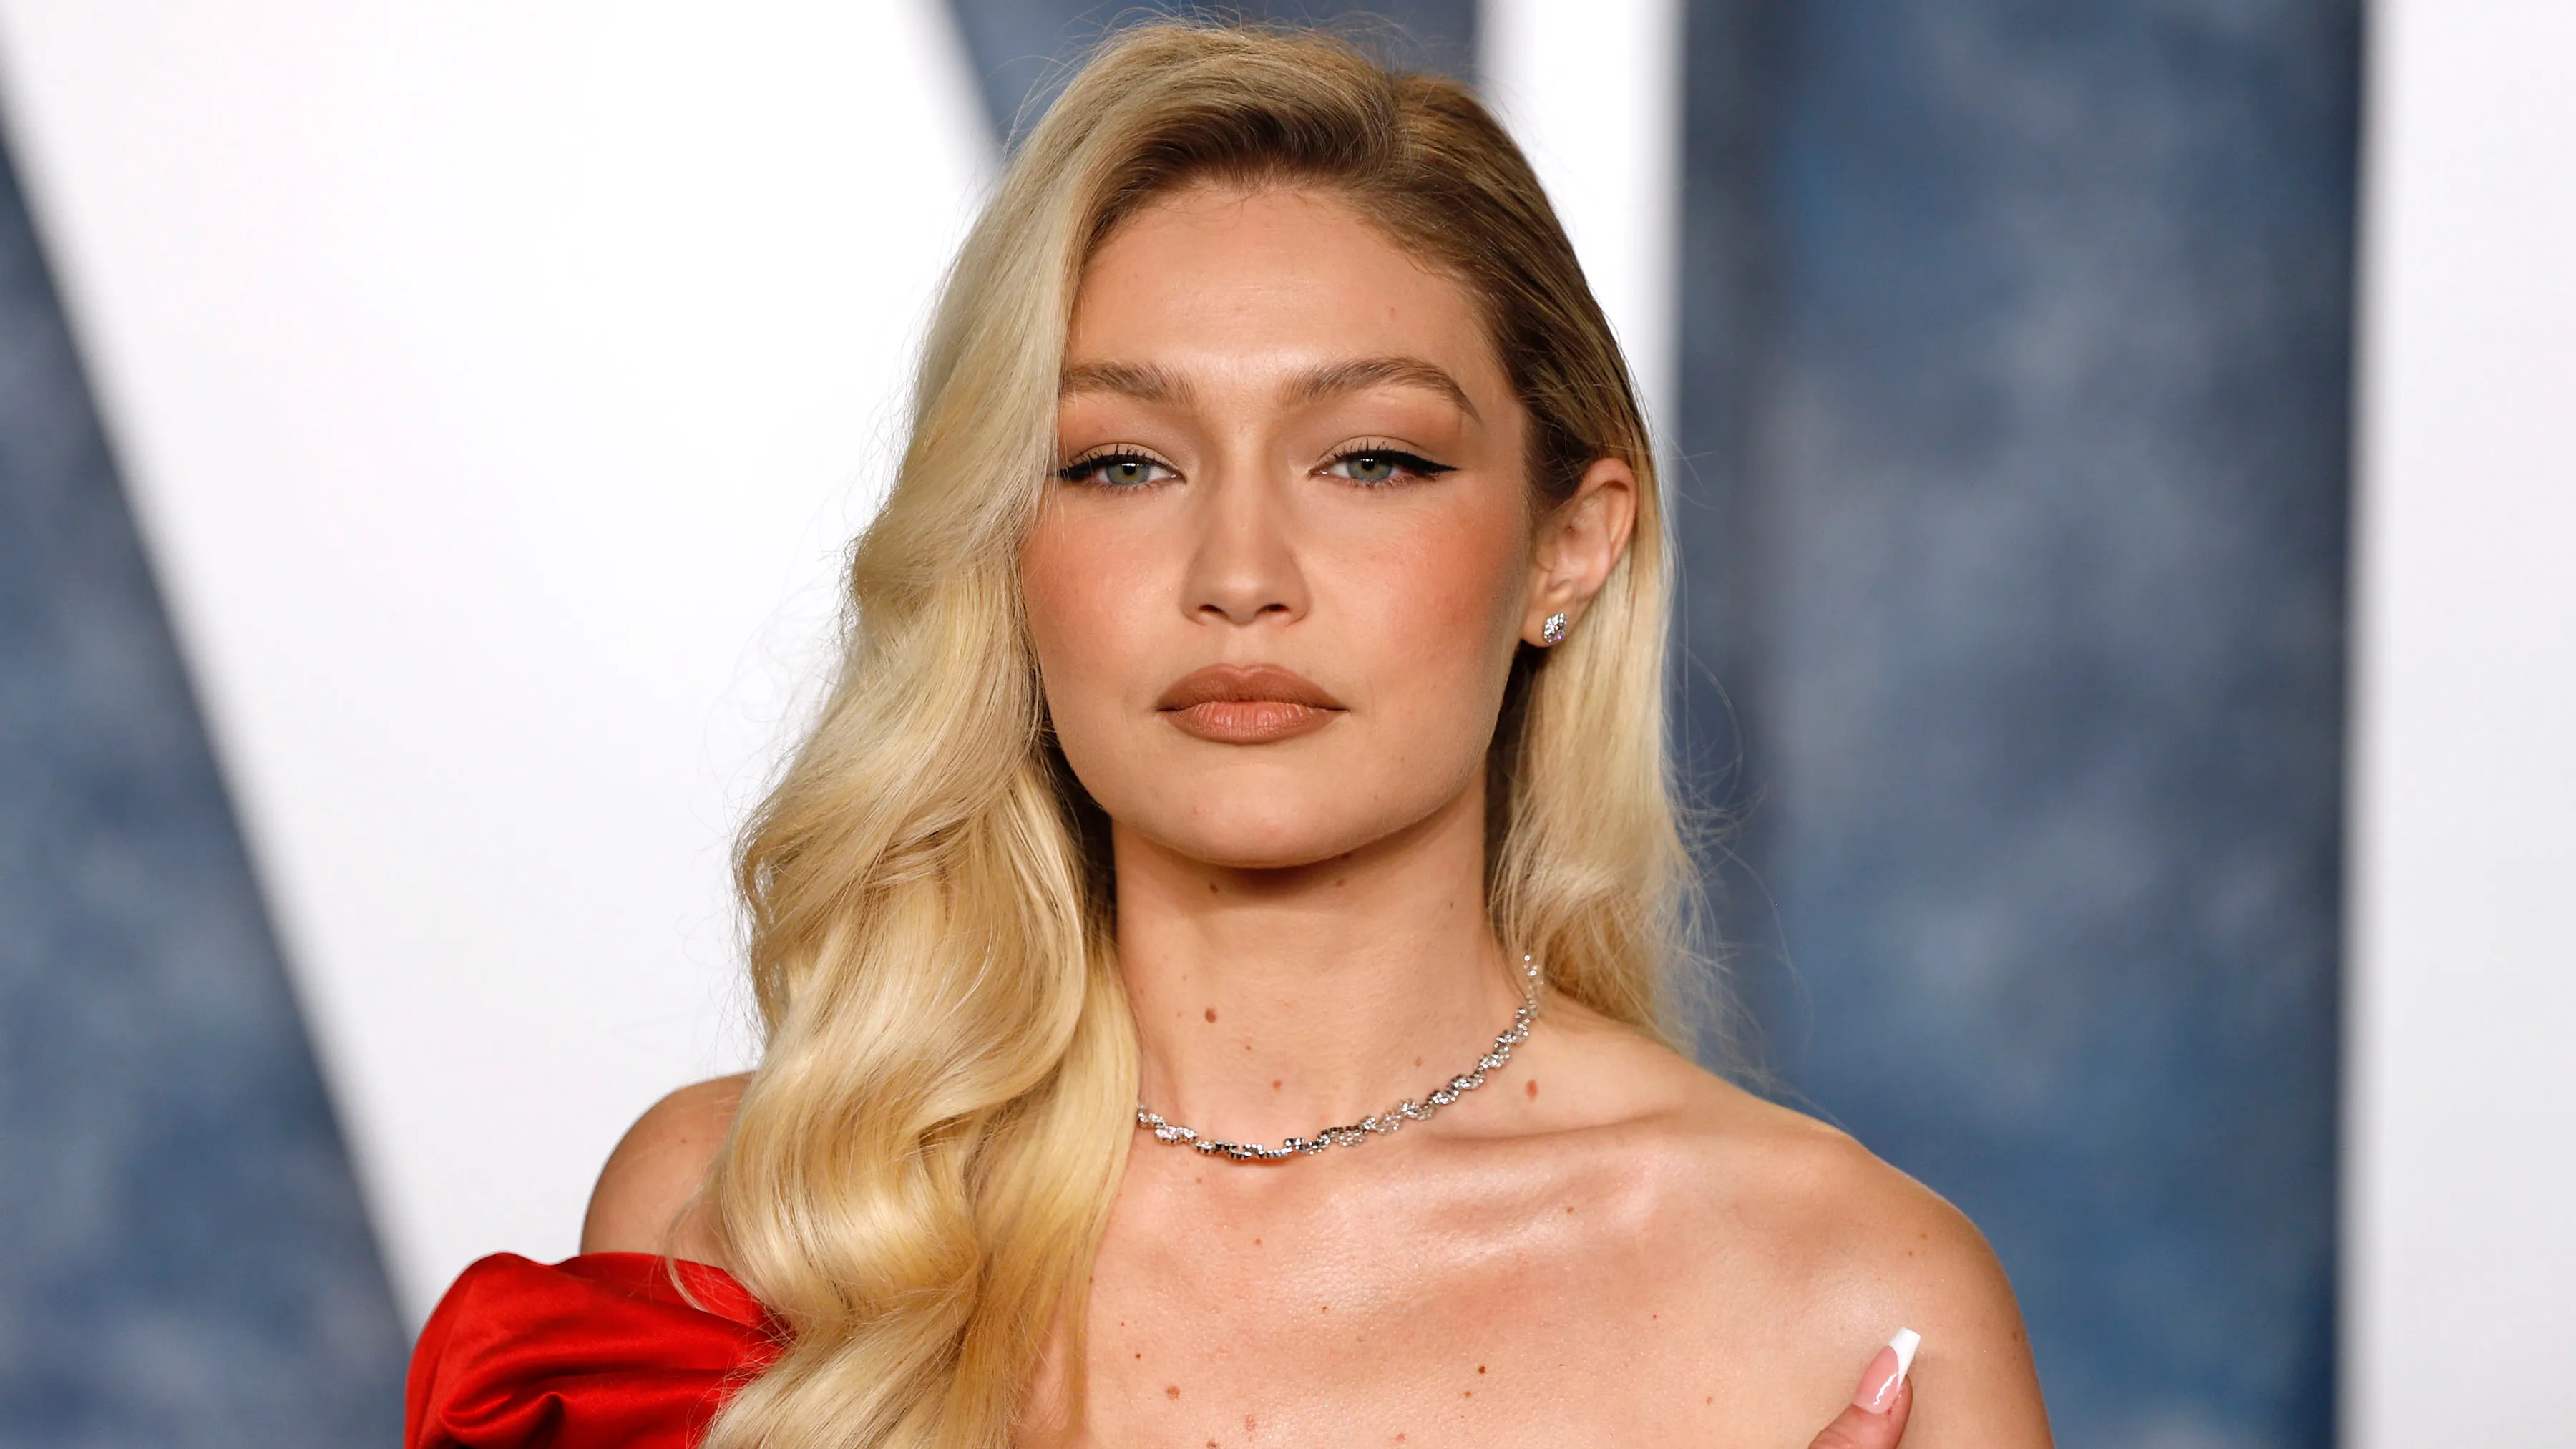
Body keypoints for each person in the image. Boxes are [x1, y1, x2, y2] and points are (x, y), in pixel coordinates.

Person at [406, 24, 2051, 1449]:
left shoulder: (1842, 1296)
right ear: (1004, 545)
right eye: (1122, 463)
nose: (1241, 573)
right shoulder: (749, 1216)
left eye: (1372, 460)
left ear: (1572, 544)